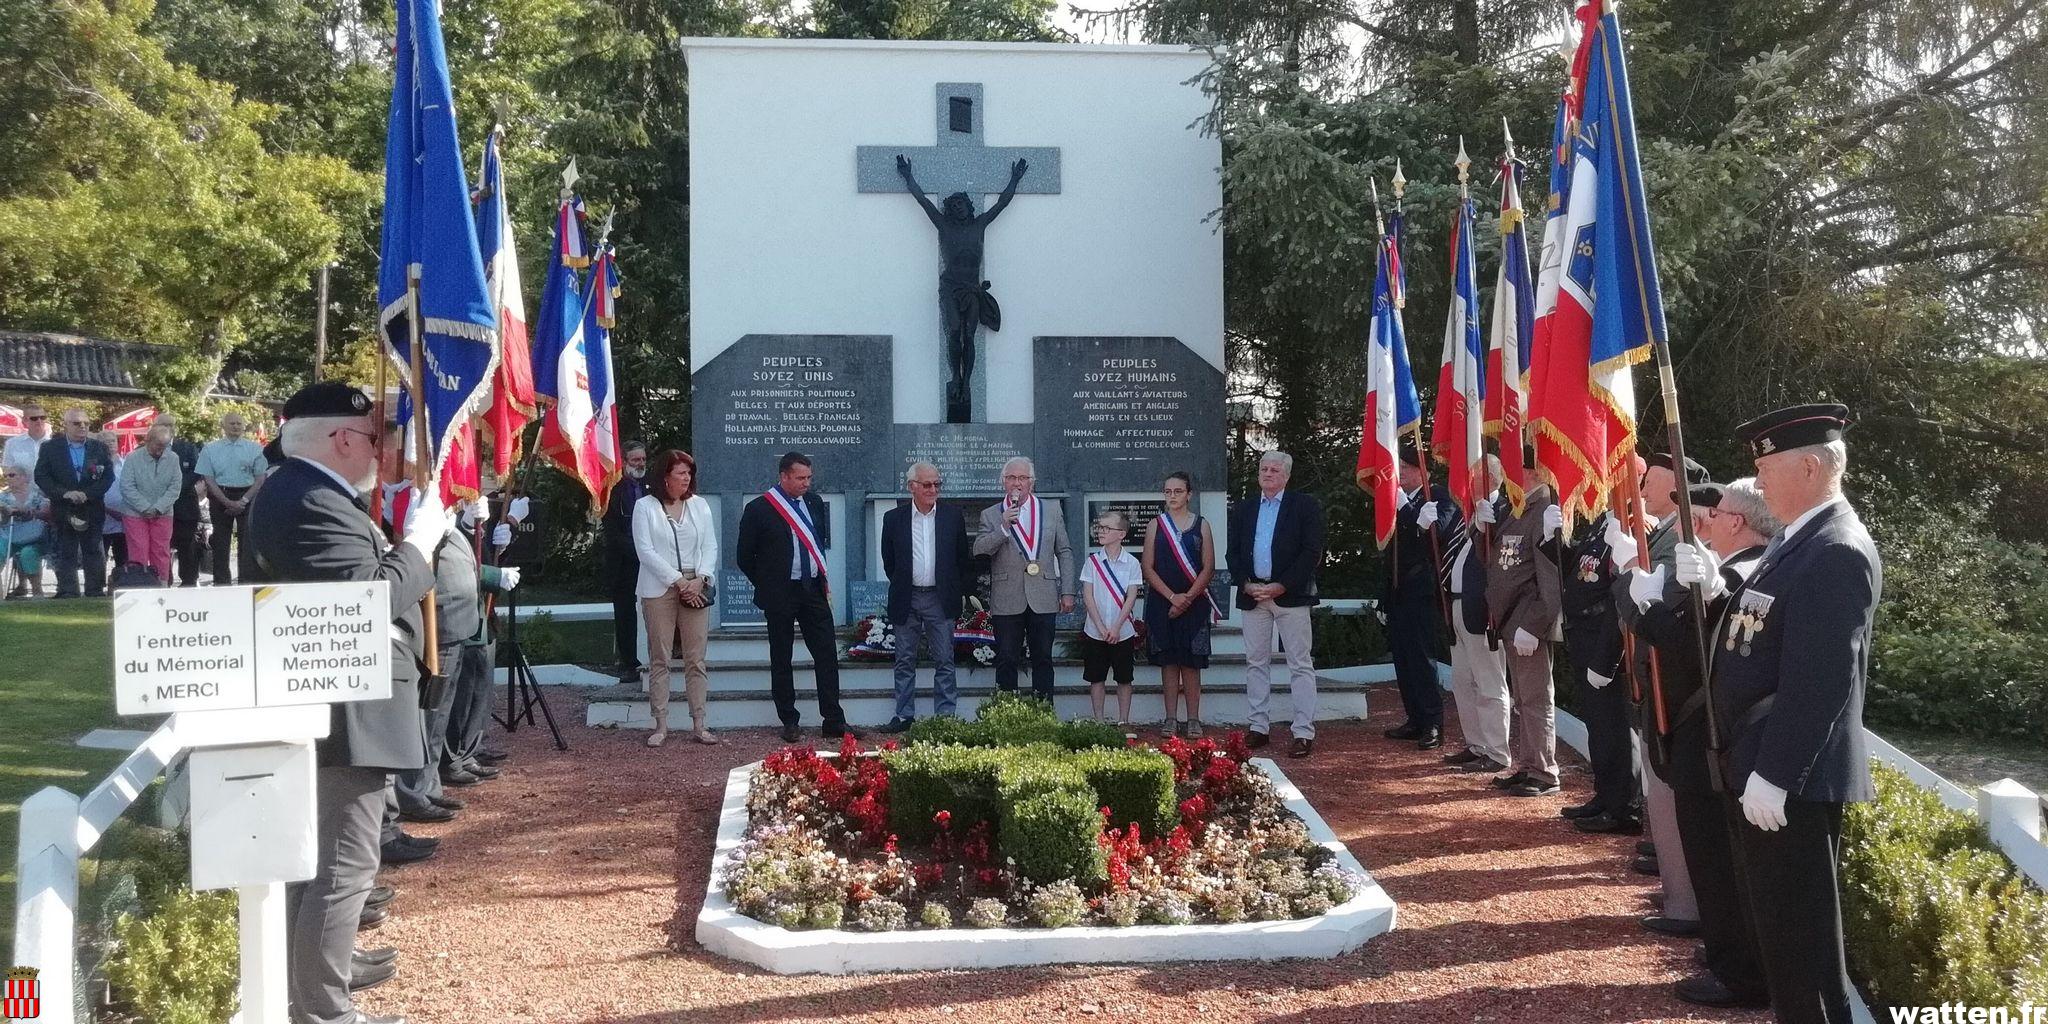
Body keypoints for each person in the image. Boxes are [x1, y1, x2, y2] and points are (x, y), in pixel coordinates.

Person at [247, 381, 443, 1024]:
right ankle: (323, 1009)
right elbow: (365, 600)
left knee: (327, 856)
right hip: (344, 703)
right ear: (341, 438)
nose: (381, 453)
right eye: (372, 439)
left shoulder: (309, 492)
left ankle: (320, 974)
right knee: (343, 862)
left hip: (343, 700)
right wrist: (419, 545)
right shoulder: (309, 498)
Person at [1699, 404, 1878, 1024]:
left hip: (1791, 781)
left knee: (1803, 947)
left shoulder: (1835, 549)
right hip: (1760, 764)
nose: (1758, 479)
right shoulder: (1794, 539)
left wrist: (1776, 774)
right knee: (1781, 941)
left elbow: (1820, 682)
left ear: (1810, 465)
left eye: (1766, 465)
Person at [1635, 478, 1777, 1009]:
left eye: (1716, 514)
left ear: (1737, 522)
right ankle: (1727, 950)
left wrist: (1647, 608)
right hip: (1708, 729)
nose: (1706, 522)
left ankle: (1737, 969)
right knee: (1713, 854)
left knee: (1718, 857)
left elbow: (1693, 651)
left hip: (1712, 731)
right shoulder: (1739, 572)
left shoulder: (1740, 577)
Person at [1608, 452, 1710, 922]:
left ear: (1676, 488)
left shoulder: (1678, 538)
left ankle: (1684, 897)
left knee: (1668, 783)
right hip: (1652, 666)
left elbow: (1661, 607)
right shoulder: (1661, 532)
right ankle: (1675, 882)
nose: (1642, 487)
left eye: (1651, 480)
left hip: (1668, 669)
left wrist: (1631, 570)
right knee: (1659, 781)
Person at [737, 451, 860, 743]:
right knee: (782, 656)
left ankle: (833, 719)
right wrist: (768, 583)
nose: (806, 483)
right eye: (800, 478)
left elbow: (818, 544)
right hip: (779, 592)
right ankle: (789, 720)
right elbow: (744, 556)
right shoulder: (759, 509)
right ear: (784, 477)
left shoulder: (815, 503)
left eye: (809, 477)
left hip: (812, 589)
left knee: (826, 654)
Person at [1226, 451, 1326, 758]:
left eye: (1274, 470)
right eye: (1263, 469)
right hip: (1253, 595)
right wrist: (1246, 583)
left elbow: (1312, 551)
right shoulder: (1245, 508)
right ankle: (1258, 727)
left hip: (1290, 596)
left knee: (1299, 663)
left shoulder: (1304, 506)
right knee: (1256, 663)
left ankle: (1303, 732)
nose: (1267, 474)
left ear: (1286, 476)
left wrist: (1280, 585)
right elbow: (1233, 552)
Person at [1556, 489, 1640, 833]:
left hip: (1605, 640)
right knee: (1598, 724)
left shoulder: (1630, 530)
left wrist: (1608, 655)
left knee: (1616, 726)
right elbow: (1576, 572)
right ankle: (1605, 796)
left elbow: (1618, 597)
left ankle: (1624, 807)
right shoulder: (1600, 527)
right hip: (1584, 634)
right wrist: (1555, 540)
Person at [1476, 477, 1561, 796]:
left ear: (1533, 471)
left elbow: (1550, 577)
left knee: (1536, 698)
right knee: (1524, 699)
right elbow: (1492, 559)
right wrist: (1481, 530)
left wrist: (1535, 623)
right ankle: (1528, 764)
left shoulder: (1543, 511)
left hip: (1527, 623)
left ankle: (1544, 770)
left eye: (1517, 468)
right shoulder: (1518, 509)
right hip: (1512, 620)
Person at [1423, 455, 1507, 774]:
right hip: (1456, 604)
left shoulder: (1502, 513)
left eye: (1476, 476)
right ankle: (1476, 744)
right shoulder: (1468, 516)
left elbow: (1503, 561)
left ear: (1493, 479)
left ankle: (1497, 750)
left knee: (1489, 683)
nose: (1469, 482)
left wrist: (1492, 526)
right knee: (1462, 681)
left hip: (1481, 610)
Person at [632, 449, 718, 747]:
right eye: (681, 473)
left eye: (689, 473)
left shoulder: (700, 505)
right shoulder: (644, 507)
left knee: (696, 659)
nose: (687, 478)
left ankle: (699, 724)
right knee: (661, 658)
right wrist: (678, 581)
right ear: (665, 476)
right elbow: (645, 551)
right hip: (659, 588)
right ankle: (661, 725)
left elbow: (710, 546)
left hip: (695, 586)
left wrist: (700, 579)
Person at [973, 456, 1077, 700]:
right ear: (1003, 483)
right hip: (1007, 597)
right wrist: (1003, 528)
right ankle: (1007, 713)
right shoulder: (991, 515)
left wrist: (1068, 591)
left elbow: (1064, 551)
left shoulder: (1050, 510)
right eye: (1011, 478)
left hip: (1043, 594)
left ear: (1032, 482)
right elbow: (979, 549)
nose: (1016, 483)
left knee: (1042, 657)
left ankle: (1043, 711)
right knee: (1007, 657)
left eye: (1022, 478)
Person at [879, 461, 972, 732]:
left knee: (944, 659)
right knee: (904, 659)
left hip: (939, 597)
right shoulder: (893, 519)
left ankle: (945, 717)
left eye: (937, 484)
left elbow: (960, 558)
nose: (933, 489)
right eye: (927, 484)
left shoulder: (952, 517)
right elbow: (890, 562)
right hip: (906, 597)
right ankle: (904, 716)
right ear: (912, 487)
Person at [1385, 445, 1459, 749]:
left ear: (1423, 472)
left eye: (1407, 467)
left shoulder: (1438, 496)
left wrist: (1407, 509)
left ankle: (1432, 723)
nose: (1401, 472)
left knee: (1422, 658)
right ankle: (1414, 718)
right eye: (1400, 466)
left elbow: (1438, 533)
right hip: (1398, 591)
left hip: (1423, 590)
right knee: (1403, 659)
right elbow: (1389, 552)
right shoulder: (1399, 499)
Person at [1141, 471, 1217, 738]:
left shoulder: (1202, 525)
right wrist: (1172, 597)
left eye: (1177, 491)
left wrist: (1186, 599)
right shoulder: (1155, 525)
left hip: (1194, 603)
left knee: (1191, 663)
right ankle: (1171, 717)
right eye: (1168, 492)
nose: (1172, 496)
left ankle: (1193, 718)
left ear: (1189, 494)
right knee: (1169, 662)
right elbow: (1147, 568)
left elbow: (1208, 567)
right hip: (1163, 603)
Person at [34, 408, 114, 598]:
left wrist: (87, 494)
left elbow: (107, 477)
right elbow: (42, 477)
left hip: (91, 506)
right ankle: (68, 591)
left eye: (86, 423)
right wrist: (65, 493)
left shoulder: (99, 448)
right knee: (65, 549)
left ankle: (94, 590)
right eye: (77, 423)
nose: (83, 427)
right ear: (66, 425)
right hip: (64, 507)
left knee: (93, 550)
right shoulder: (50, 448)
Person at [1079, 510, 1142, 726]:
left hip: (1122, 631)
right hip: (1095, 631)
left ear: (1121, 534)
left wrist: (1115, 627)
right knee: (1096, 677)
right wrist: (1100, 626)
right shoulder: (1092, 562)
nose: (1101, 531)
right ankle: (1099, 720)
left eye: (1107, 528)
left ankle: (1123, 720)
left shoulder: (1132, 563)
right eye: (1100, 527)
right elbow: (1088, 595)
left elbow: (1131, 597)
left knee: (1124, 677)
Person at [196, 411, 267, 585]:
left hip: (247, 495)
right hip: (220, 495)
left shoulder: (255, 448)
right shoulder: (210, 449)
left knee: (247, 543)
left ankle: (245, 581)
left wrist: (243, 501)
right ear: (224, 426)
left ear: (244, 426)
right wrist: (225, 501)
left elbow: (260, 478)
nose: (235, 426)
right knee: (220, 542)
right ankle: (221, 583)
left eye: (238, 423)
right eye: (232, 423)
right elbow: (208, 479)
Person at [604, 441, 652, 682]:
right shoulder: (613, 489)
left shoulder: (651, 487)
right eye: (635, 460)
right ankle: (629, 662)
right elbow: (612, 531)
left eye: (642, 459)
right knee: (625, 613)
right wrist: (638, 551)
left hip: (650, 561)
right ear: (624, 462)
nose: (640, 464)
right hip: (623, 562)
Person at [118, 425, 182, 584]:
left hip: (163, 513)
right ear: (148, 440)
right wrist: (145, 507)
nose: (161, 450)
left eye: (165, 446)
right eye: (158, 446)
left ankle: (161, 585)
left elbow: (175, 487)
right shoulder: (132, 458)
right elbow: (126, 486)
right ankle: (140, 584)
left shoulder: (173, 458)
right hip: (135, 513)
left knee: (161, 551)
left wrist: (159, 507)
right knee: (138, 550)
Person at [151, 413, 206, 586]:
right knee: (161, 546)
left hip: (184, 506)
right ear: (154, 427)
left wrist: (174, 489)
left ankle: (189, 581)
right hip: (157, 507)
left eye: (170, 425)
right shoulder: (147, 449)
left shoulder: (187, 448)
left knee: (187, 545)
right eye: (163, 425)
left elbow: (197, 471)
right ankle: (163, 580)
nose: (167, 428)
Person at [3, 465, 49, 598]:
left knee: (28, 553)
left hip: (33, 536)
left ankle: (37, 591)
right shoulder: (3, 497)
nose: (8, 478)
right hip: (9, 535)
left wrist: (30, 512)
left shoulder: (36, 494)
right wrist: (5, 511)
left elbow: (46, 511)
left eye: (11, 475)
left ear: (24, 477)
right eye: (6, 476)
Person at [4, 403, 51, 475]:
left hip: (48, 486)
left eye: (42, 417)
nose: (39, 421)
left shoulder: (55, 444)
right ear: (25, 421)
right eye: (34, 418)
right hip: (22, 486)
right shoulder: (12, 443)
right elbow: (7, 468)